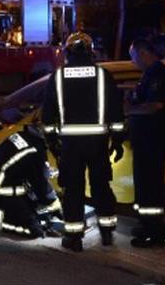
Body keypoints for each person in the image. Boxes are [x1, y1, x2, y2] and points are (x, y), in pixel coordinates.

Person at [41, 32, 125, 252]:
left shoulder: (57, 77)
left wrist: (52, 142)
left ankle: (74, 237)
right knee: (101, 186)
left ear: (67, 52)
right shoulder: (103, 75)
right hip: (98, 143)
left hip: (70, 145)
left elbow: (48, 115)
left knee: (73, 189)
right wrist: (117, 140)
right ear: (91, 52)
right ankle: (107, 232)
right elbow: (116, 110)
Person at [127, 37, 165, 248]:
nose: (133, 61)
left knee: (150, 189)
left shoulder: (158, 74)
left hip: (152, 141)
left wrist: (128, 111)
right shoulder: (150, 73)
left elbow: (155, 105)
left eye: (133, 57)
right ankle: (147, 225)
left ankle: (154, 233)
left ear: (143, 53)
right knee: (144, 187)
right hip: (146, 140)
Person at [0, 125, 62, 238]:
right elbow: (41, 185)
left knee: (30, 193)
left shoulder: (21, 136)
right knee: (35, 231)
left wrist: (45, 172)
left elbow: (19, 163)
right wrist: (54, 202)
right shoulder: (35, 152)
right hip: (2, 192)